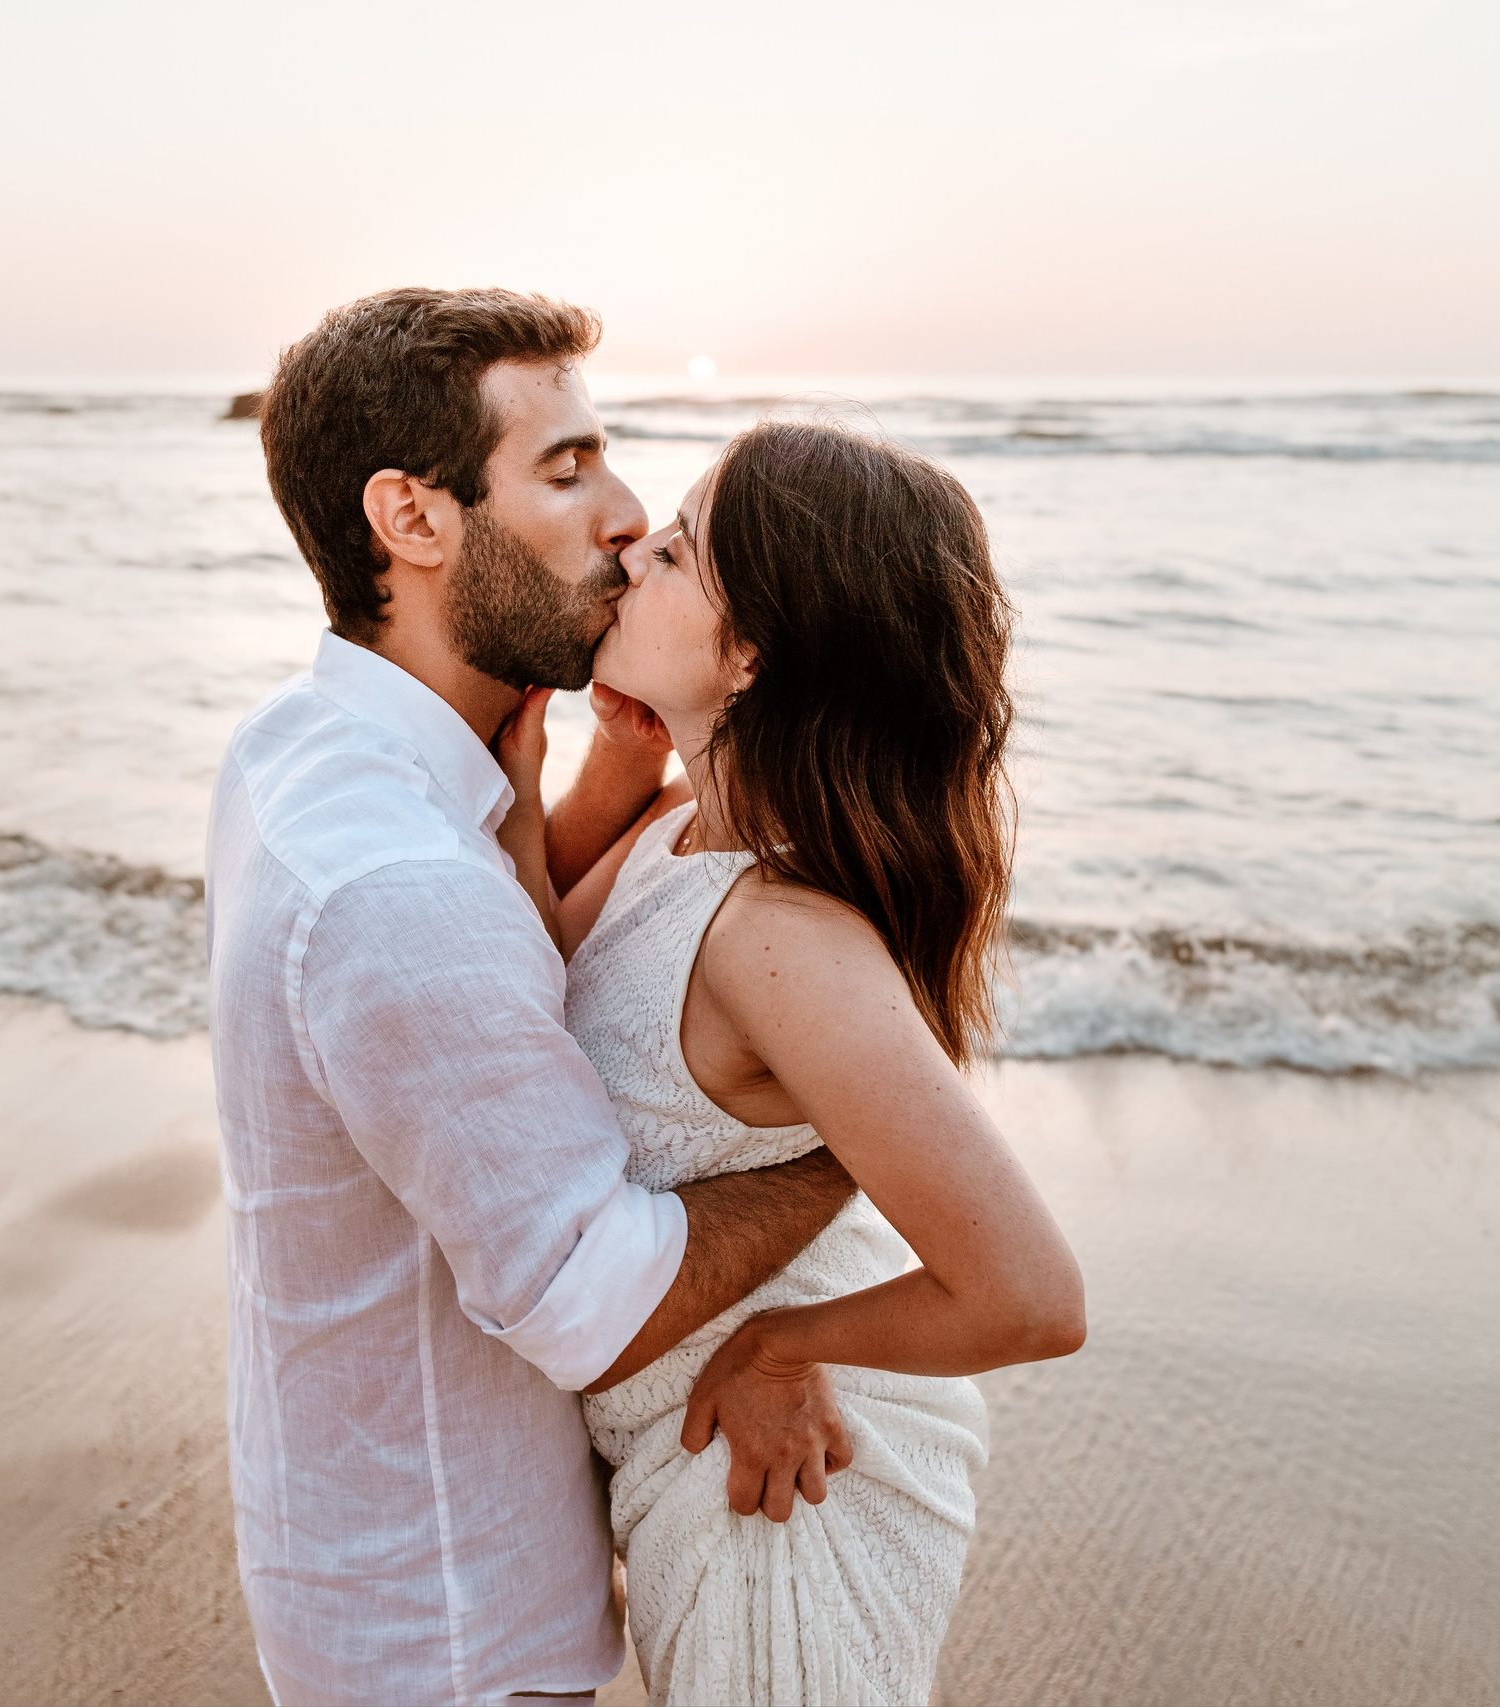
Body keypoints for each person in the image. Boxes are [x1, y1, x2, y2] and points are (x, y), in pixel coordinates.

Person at [207, 288, 865, 1705]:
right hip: (448, 1615)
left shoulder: (304, 746)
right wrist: (845, 1154)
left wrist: (603, 782)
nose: (627, 515)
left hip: (361, 1516)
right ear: (415, 518)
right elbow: (595, 1301)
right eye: (566, 469)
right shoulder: (393, 885)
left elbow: (483, 1014)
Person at [490, 420, 1086, 1703]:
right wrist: (601, 762)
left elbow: (1031, 1295)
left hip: (785, 1454)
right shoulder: (681, 827)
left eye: (683, 549)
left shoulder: (784, 937)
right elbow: (527, 987)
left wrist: (778, 1349)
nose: (634, 546)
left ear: (751, 653)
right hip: (693, 1433)